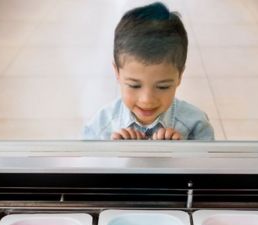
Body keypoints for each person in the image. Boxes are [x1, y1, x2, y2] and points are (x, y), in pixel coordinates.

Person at [82, 2, 215, 140]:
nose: (147, 100)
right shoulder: (100, 127)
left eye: (162, 87)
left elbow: (209, 162)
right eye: (134, 85)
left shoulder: (196, 125)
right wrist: (116, 157)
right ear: (117, 73)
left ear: (180, 76)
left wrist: (179, 155)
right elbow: (85, 161)